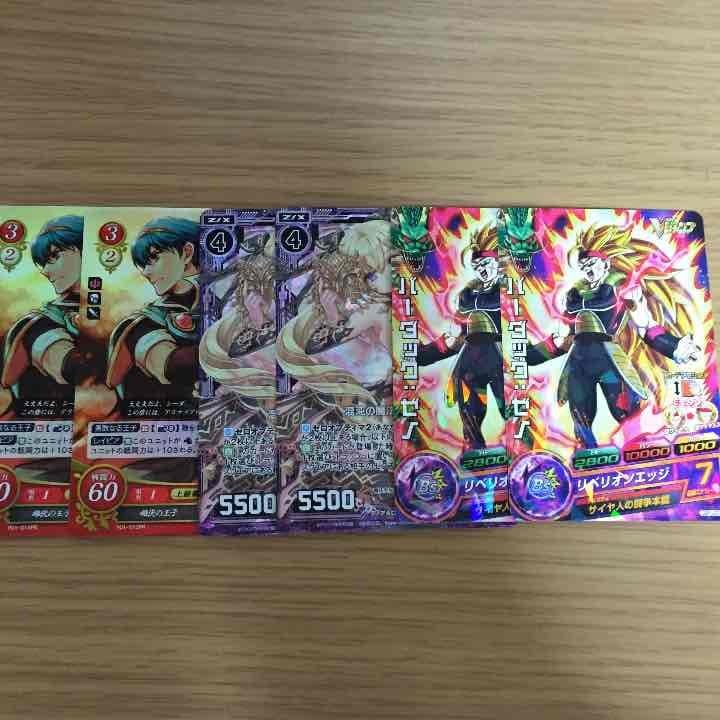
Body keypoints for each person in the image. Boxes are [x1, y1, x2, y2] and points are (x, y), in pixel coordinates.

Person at [527, 224, 700, 448]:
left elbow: (645, 326)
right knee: (580, 417)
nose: (588, 269)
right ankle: (589, 459)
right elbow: (564, 339)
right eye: (583, 265)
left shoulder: (623, 289)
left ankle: (640, 452)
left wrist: (674, 347)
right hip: (578, 364)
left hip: (609, 361)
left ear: (606, 263)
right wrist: (531, 356)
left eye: (592, 263)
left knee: (626, 413)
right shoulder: (573, 296)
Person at [415, 226, 505, 449]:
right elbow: (458, 339)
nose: (481, 270)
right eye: (477, 266)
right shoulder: (467, 295)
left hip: (500, 358)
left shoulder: (506, 290)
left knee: (511, 411)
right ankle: (476, 453)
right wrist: (423, 354)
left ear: (497, 261)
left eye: (485, 263)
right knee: (470, 417)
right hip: (470, 361)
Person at [106, 217, 200, 400]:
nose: (145, 272)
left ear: (187, 252)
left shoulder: (227, 299)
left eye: (154, 258)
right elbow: (171, 366)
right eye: (143, 264)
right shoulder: (143, 324)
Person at [0, 215, 82, 416]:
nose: (45, 270)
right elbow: (69, 366)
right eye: (44, 262)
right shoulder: (38, 325)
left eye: (54, 256)